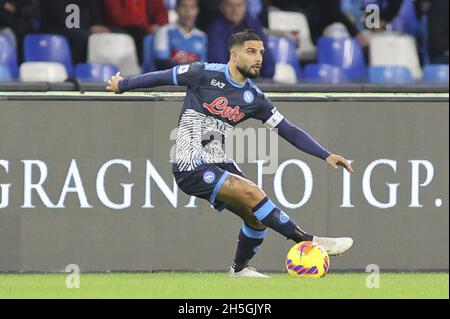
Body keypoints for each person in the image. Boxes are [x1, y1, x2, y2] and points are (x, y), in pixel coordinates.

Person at [106, 29, 353, 278]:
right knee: (253, 192)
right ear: (234, 55)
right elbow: (161, 76)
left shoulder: (254, 98)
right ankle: (307, 240)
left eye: (261, 53)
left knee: (255, 216)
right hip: (190, 161)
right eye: (251, 52)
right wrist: (123, 84)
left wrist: (325, 154)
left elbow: (287, 129)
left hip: (217, 160)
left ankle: (239, 269)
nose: (258, 58)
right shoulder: (202, 73)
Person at [207, 0, 275, 79]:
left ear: (246, 7)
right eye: (230, 5)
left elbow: (268, 63)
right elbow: (219, 65)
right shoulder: (215, 29)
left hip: (256, 81)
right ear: (221, 7)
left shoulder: (254, 25)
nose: (235, 10)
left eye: (239, 5)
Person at [41, 0, 109, 65]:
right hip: (57, 33)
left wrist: (97, 27)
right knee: (80, 37)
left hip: (84, 32)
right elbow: (60, 18)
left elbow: (96, 19)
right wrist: (88, 29)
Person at [103, 0, 168, 63]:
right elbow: (118, 19)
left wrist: (157, 25)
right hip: (121, 32)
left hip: (145, 32)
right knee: (137, 31)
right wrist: (148, 28)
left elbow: (162, 12)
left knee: (163, 33)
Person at [154, 0, 207, 70]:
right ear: (176, 8)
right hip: (169, 79)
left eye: (192, 7)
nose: (188, 11)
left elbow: (203, 67)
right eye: (184, 6)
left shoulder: (202, 37)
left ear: (197, 10)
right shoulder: (164, 32)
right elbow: (162, 64)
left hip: (193, 80)